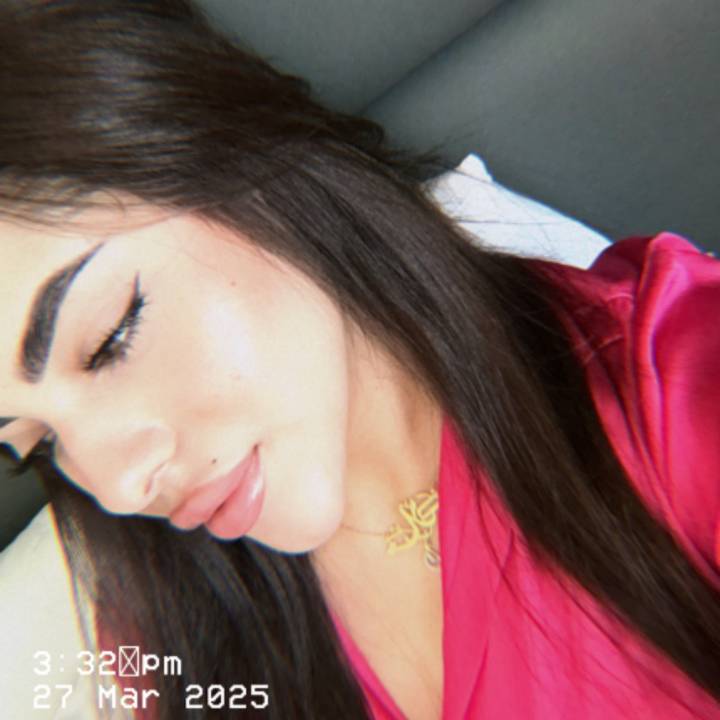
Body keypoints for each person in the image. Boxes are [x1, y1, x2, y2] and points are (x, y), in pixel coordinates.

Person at [0, 1, 718, 718]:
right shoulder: (167, 632)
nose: (120, 489)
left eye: (109, 340)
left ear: (236, 157)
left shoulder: (666, 381)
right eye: (39, 442)